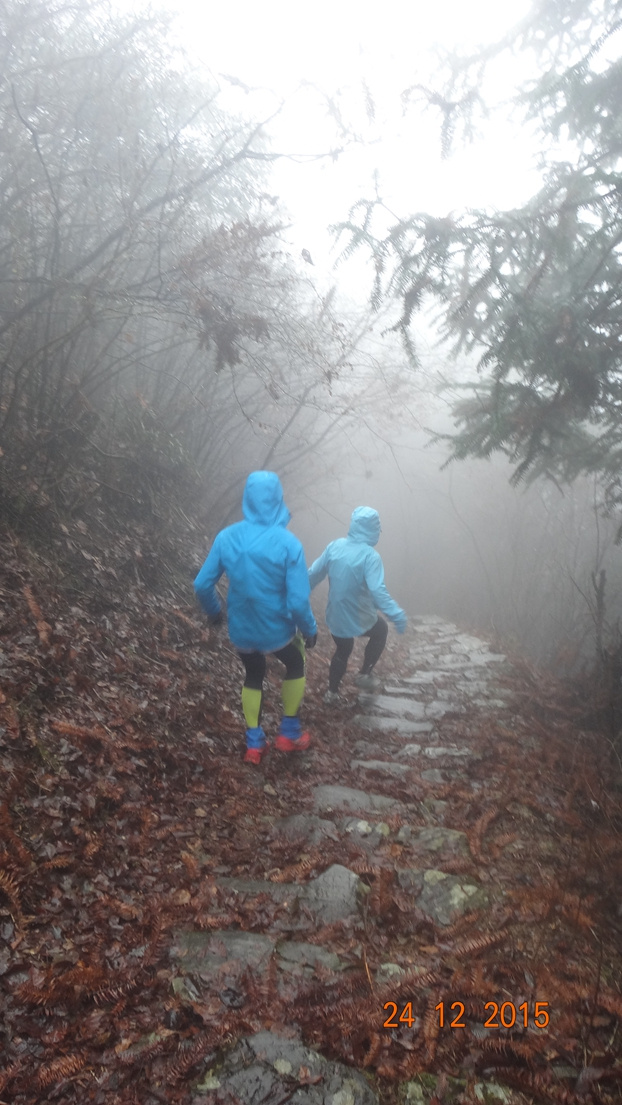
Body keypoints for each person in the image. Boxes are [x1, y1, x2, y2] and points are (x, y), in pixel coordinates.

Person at [194, 471, 318, 764]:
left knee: (253, 674)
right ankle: (288, 733)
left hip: (242, 630)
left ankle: (254, 743)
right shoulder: (289, 544)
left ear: (246, 499)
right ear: (278, 500)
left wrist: (214, 613)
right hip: (276, 630)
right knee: (295, 661)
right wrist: (309, 631)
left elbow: (201, 584)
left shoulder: (227, 537)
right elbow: (299, 601)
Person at [308, 506, 406, 703]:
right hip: (359, 615)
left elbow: (312, 574)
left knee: (343, 649)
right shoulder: (370, 556)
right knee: (381, 630)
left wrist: (295, 596)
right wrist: (394, 613)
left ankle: (332, 693)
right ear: (373, 530)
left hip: (335, 614)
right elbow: (378, 591)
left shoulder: (334, 546)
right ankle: (364, 673)